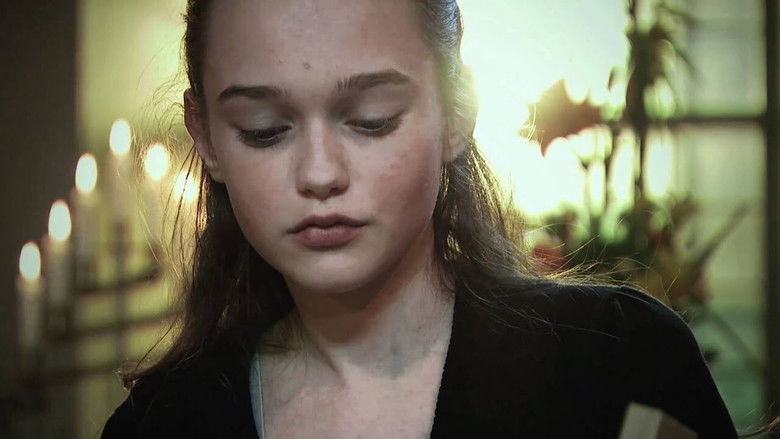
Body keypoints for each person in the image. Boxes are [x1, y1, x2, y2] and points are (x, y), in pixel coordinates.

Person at [101, 0, 739, 437]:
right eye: (264, 129)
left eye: (371, 119)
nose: (319, 173)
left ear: (456, 111)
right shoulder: (163, 424)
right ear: (206, 137)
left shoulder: (619, 366)